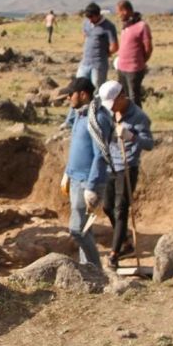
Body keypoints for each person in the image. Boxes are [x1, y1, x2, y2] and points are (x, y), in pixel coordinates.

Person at [97, 81, 154, 269]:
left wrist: (132, 137)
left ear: (122, 96)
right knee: (107, 207)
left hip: (127, 167)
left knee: (121, 209)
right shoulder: (108, 112)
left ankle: (115, 254)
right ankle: (126, 242)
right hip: (109, 165)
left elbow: (149, 144)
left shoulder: (139, 117)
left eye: (113, 103)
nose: (111, 108)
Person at [59, 77, 113, 267]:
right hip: (75, 178)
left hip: (87, 182)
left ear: (83, 94)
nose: (68, 99)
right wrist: (68, 171)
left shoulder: (98, 118)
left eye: (70, 94)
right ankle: (87, 267)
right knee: (85, 229)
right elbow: (77, 147)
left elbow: (100, 155)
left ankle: (95, 268)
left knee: (77, 229)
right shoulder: (80, 115)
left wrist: (92, 187)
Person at [114, 0, 153, 107]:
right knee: (122, 96)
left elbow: (148, 48)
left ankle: (138, 121)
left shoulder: (142, 26)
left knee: (134, 97)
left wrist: (140, 61)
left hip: (134, 69)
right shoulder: (126, 26)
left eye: (119, 12)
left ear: (125, 11)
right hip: (122, 68)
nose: (118, 15)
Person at [75, 2, 117, 88]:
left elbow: (115, 46)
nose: (89, 20)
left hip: (98, 64)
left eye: (91, 17)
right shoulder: (86, 23)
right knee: (79, 86)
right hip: (85, 62)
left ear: (98, 15)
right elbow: (85, 35)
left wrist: (105, 54)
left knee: (97, 88)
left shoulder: (108, 26)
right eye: (88, 17)